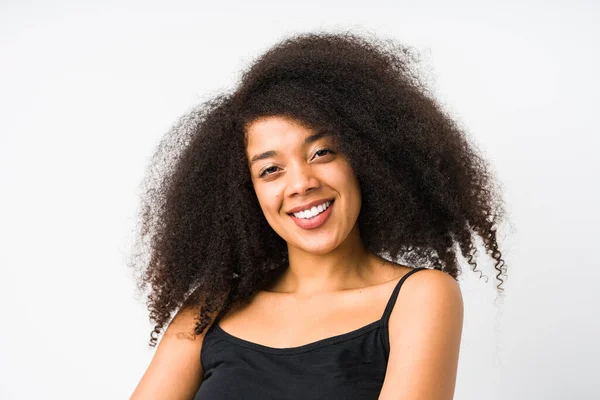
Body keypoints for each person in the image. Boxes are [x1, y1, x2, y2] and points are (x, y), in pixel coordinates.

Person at [129, 31, 508, 400]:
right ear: (245, 195)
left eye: (322, 153)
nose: (301, 183)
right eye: (270, 170)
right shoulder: (210, 309)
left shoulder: (420, 297)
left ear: (365, 157)